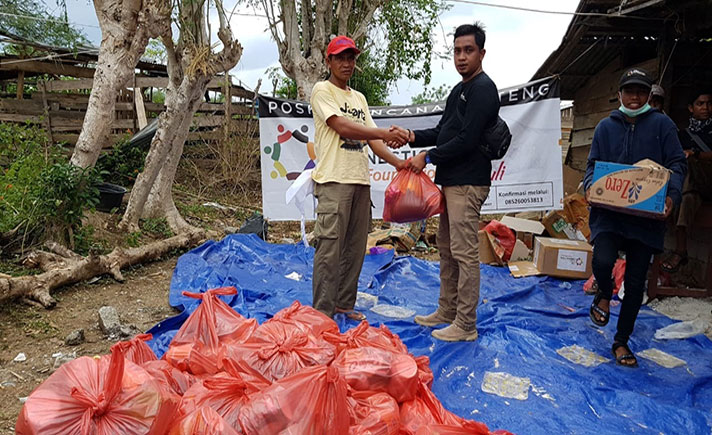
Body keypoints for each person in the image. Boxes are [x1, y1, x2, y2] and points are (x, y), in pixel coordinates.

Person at [390, 23, 500, 342]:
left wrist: (427, 156)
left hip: (468, 183)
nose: (461, 57)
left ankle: (466, 324)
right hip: (452, 182)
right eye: (457, 50)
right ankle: (447, 310)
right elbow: (444, 131)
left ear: (481, 53)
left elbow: (467, 140)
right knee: (447, 248)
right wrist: (412, 137)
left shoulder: (483, 89)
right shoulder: (459, 90)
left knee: (464, 253)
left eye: (468, 50)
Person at [584, 67, 687, 367]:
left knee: (635, 280)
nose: (634, 97)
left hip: (646, 219)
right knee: (602, 261)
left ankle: (621, 341)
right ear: (619, 94)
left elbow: (677, 164)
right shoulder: (605, 127)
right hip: (609, 215)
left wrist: (672, 196)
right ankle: (604, 291)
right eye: (629, 91)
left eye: (641, 91)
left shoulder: (662, 126)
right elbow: (592, 165)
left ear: (648, 95)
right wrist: (591, 186)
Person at [310, 35, 409, 321]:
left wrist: (398, 164)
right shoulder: (322, 90)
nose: (346, 63)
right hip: (333, 181)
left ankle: (343, 304)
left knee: (354, 250)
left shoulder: (359, 98)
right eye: (340, 57)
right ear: (328, 61)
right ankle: (322, 314)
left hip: (359, 181)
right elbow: (342, 127)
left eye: (351, 57)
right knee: (329, 249)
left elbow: (373, 141)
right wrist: (383, 134)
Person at [661, 90, 712, 273]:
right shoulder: (683, 135)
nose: (705, 108)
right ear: (691, 108)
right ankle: (681, 250)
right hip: (692, 188)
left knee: (688, 162)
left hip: (708, 184)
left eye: (708, 103)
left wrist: (696, 154)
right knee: (686, 199)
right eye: (700, 103)